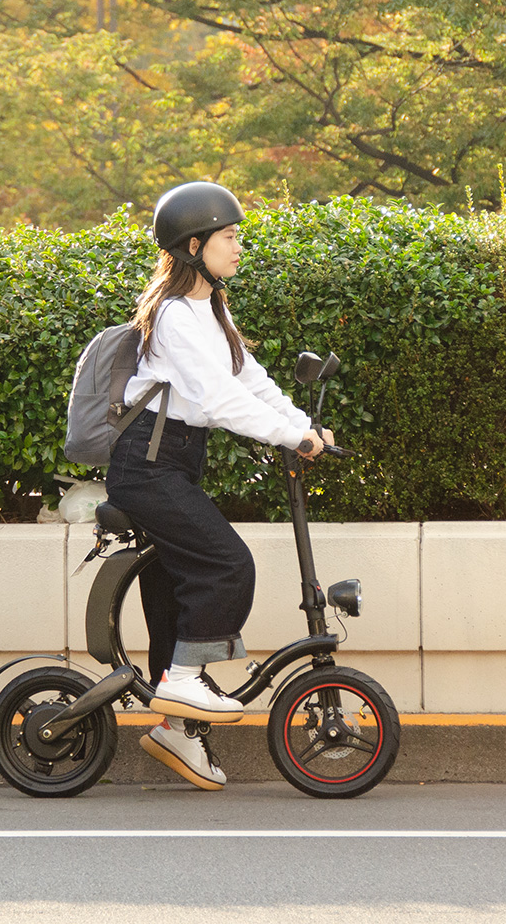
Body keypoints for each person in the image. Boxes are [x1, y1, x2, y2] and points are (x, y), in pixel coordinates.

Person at [104, 181, 330, 791]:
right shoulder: (176, 315)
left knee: (174, 593)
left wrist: (305, 428)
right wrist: (289, 438)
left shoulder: (210, 307)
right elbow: (218, 399)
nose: (238, 247)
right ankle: (183, 680)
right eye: (229, 238)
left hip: (172, 461)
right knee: (227, 565)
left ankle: (177, 729)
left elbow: (249, 377)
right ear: (193, 244)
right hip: (145, 466)